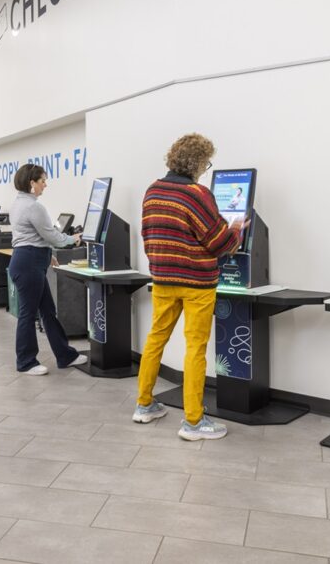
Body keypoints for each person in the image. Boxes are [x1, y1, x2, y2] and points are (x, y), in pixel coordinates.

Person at [133, 133, 246, 441]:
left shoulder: (153, 190)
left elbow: (148, 233)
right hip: (197, 283)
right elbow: (218, 242)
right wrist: (235, 231)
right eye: (206, 163)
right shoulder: (197, 194)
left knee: (155, 339)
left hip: (162, 279)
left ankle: (144, 405)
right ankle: (193, 422)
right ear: (197, 163)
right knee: (195, 348)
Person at [8, 163, 87, 375]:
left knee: (48, 311)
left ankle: (65, 355)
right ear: (31, 183)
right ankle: (26, 362)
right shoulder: (34, 207)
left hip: (28, 259)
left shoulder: (18, 203)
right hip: (29, 263)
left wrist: (46, 254)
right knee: (28, 314)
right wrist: (73, 239)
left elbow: (30, 235)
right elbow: (52, 236)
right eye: (42, 181)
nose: (45, 185)